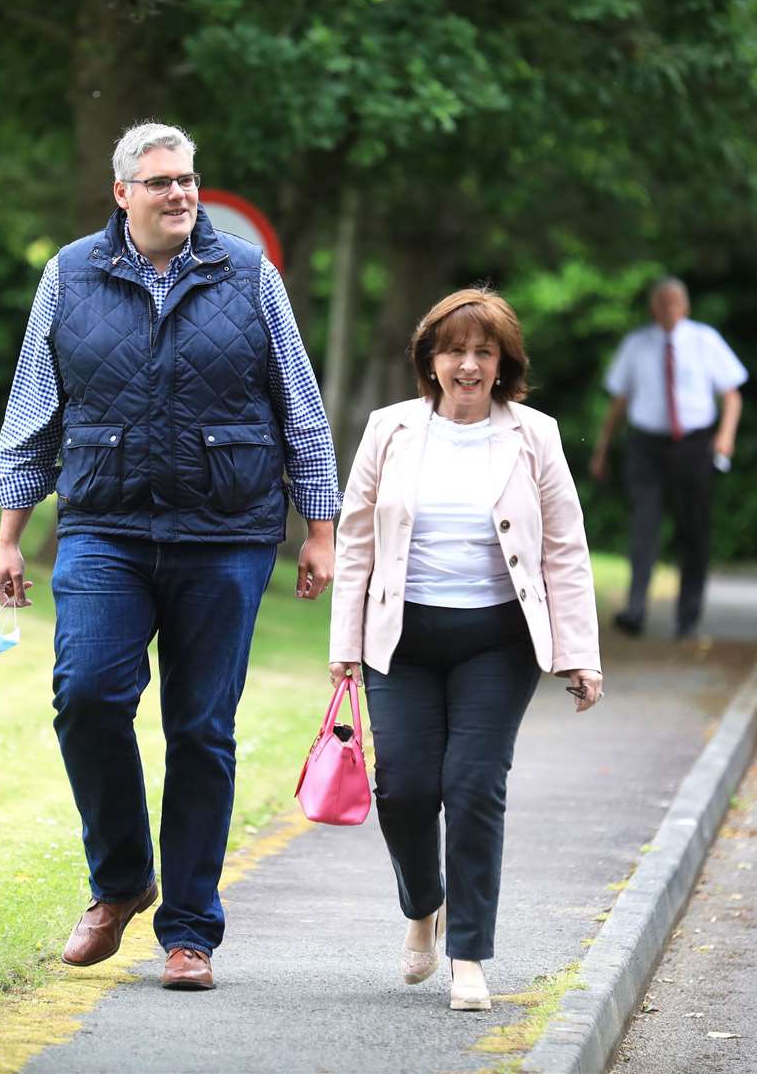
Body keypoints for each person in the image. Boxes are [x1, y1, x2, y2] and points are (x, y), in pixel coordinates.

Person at [0, 122, 339, 992]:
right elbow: (34, 410)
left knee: (201, 731)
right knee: (88, 695)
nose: (180, 194)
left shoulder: (249, 272)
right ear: (122, 194)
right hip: (105, 526)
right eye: (160, 183)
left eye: (188, 179)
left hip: (227, 534)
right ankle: (120, 881)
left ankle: (189, 934)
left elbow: (300, 403)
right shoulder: (68, 275)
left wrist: (320, 527)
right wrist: (9, 537)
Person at [328, 287, 604, 1012]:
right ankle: (424, 905)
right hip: (403, 640)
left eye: (485, 352)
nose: (469, 365)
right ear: (431, 359)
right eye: (455, 351)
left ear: (505, 363)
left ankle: (469, 955)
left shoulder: (533, 435)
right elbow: (356, 540)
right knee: (406, 789)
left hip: (497, 642)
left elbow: (565, 548)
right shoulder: (389, 430)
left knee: (475, 788)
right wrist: (345, 643)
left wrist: (581, 653)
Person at [589, 277, 746, 640]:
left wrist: (725, 437)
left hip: (693, 444)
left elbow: (732, 395)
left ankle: (688, 617)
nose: (668, 310)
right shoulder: (636, 345)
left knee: (694, 529)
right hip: (646, 444)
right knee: (644, 525)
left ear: (685, 306)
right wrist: (602, 449)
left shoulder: (704, 340)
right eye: (661, 303)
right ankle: (635, 609)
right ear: (652, 308)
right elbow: (618, 403)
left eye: (675, 303)